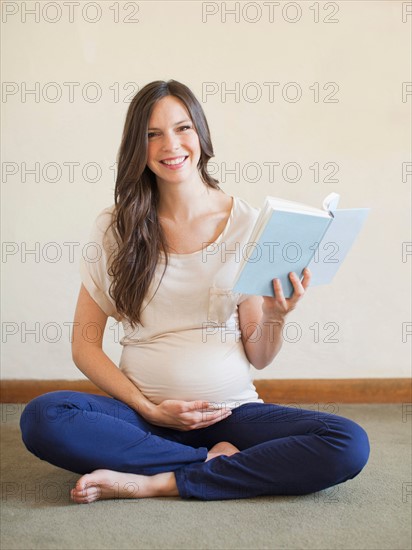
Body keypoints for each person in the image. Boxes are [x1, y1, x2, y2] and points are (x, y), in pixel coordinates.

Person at [20, 79, 370, 503]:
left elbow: (257, 356)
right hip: (142, 417)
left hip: (232, 412)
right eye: (153, 134)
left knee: (347, 441)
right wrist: (149, 409)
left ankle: (158, 479)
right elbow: (84, 346)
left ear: (201, 135)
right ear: (138, 146)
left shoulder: (247, 224)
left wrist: (277, 315)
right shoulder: (116, 228)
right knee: (44, 416)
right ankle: (210, 463)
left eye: (182, 128)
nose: (171, 144)